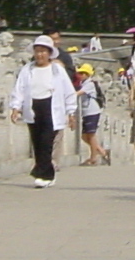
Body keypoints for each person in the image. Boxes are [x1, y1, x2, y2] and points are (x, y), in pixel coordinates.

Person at [11, 36, 72, 186]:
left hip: (50, 106)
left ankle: (43, 175)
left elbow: (68, 90)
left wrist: (71, 112)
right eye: (37, 51)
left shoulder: (57, 70)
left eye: (43, 51)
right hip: (32, 107)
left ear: (49, 53)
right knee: (37, 142)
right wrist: (15, 107)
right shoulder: (27, 69)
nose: (40, 55)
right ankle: (48, 174)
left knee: (46, 141)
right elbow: (19, 89)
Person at [76, 64, 108, 165]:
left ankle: (93, 158)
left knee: (91, 134)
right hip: (86, 112)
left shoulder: (90, 84)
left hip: (92, 111)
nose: (80, 75)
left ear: (87, 74)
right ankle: (101, 151)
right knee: (84, 136)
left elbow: (78, 93)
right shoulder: (83, 83)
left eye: (82, 73)